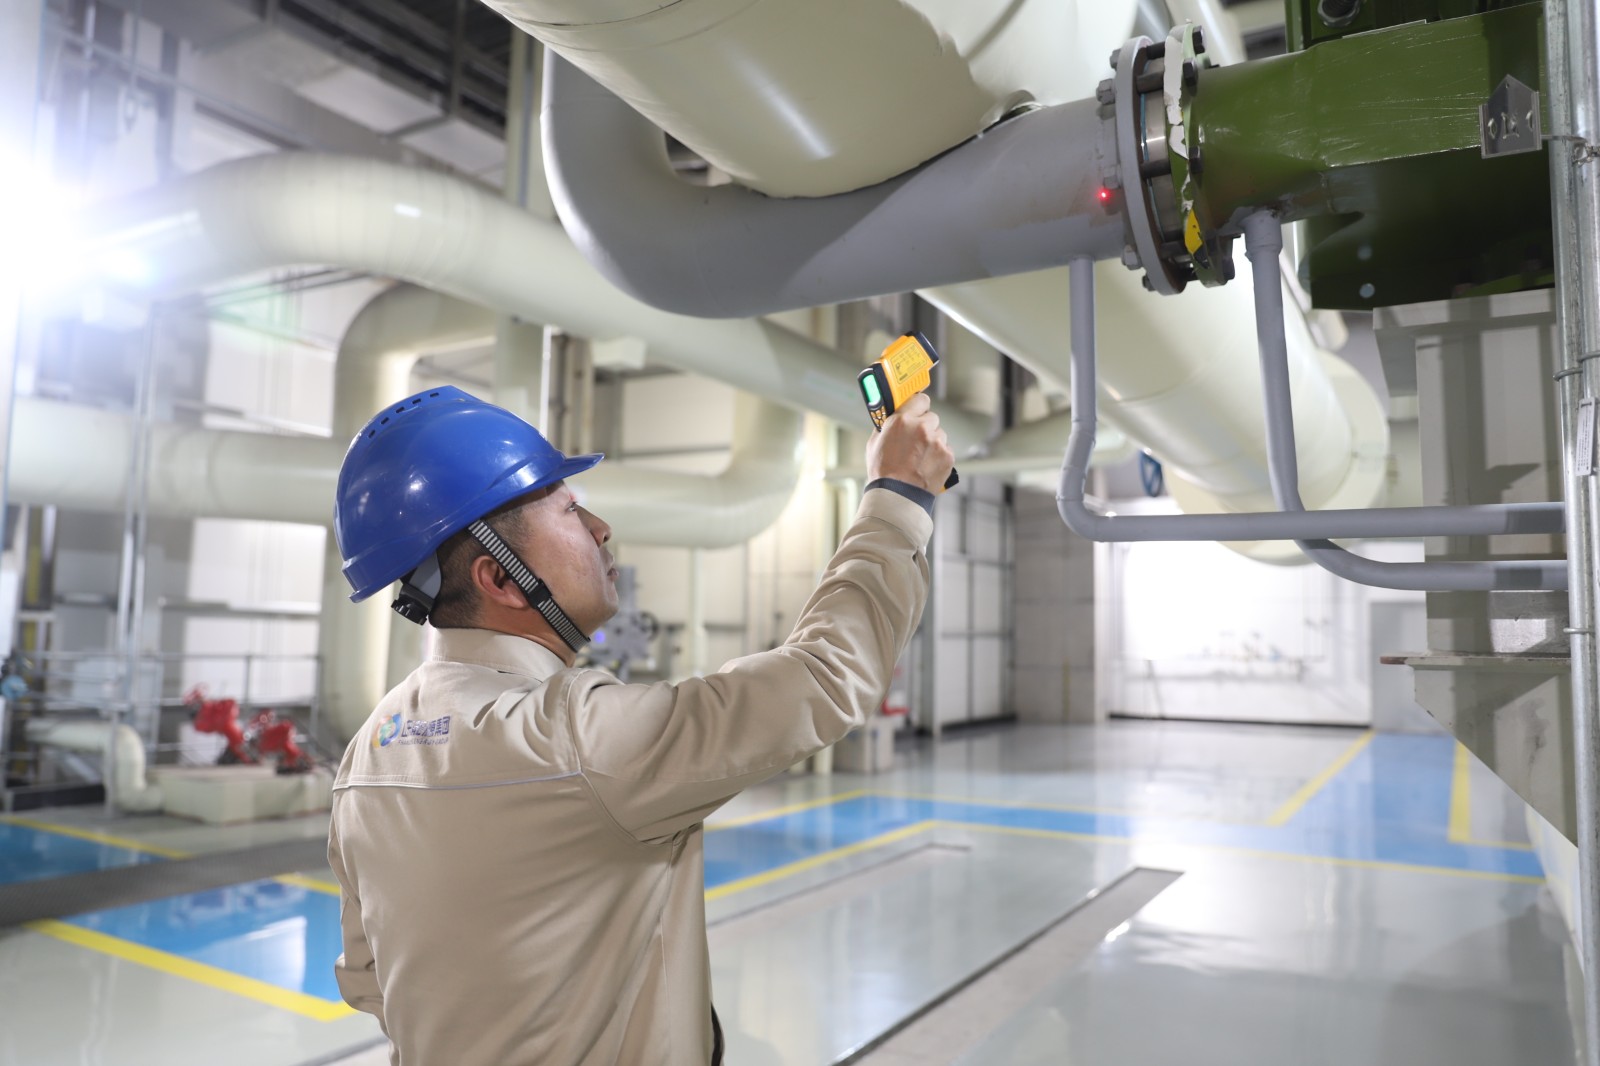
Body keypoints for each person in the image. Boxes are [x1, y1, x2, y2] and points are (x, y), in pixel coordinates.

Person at [327, 384, 953, 1065]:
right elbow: (825, 674)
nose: (600, 529)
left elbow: (368, 978)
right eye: (570, 510)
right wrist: (898, 496)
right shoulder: (573, 739)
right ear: (499, 580)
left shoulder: (366, 754)